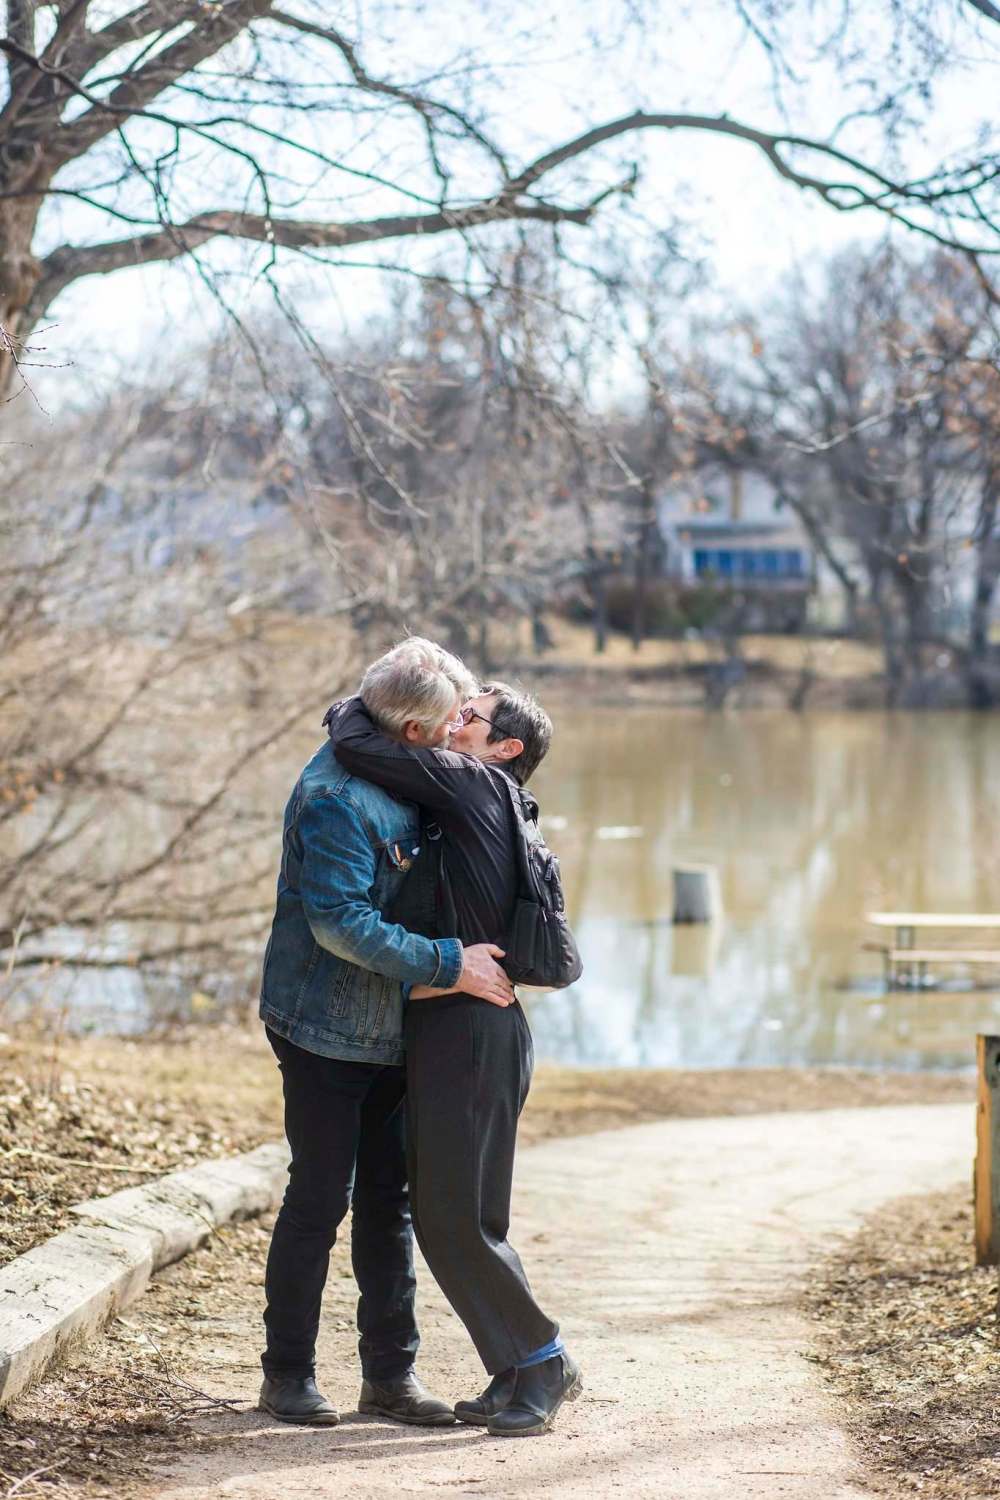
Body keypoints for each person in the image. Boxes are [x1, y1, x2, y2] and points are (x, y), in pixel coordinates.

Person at [257, 639, 515, 1429]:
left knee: (388, 1202)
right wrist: (452, 963)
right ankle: (287, 1375)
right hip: (325, 1028)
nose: (455, 736)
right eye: (448, 725)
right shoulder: (337, 796)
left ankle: (390, 1378)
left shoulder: (412, 771)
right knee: (319, 1197)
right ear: (410, 733)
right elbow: (340, 923)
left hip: (401, 1031)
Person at [326, 655, 582, 1438]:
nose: (452, 721)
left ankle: (542, 1359)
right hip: (471, 1027)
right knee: (462, 1217)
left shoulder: (472, 783)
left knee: (453, 1218)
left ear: (504, 747)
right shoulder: (498, 801)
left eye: (470, 717)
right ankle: (516, 1371)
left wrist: (352, 705)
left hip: (470, 1030)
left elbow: (364, 748)